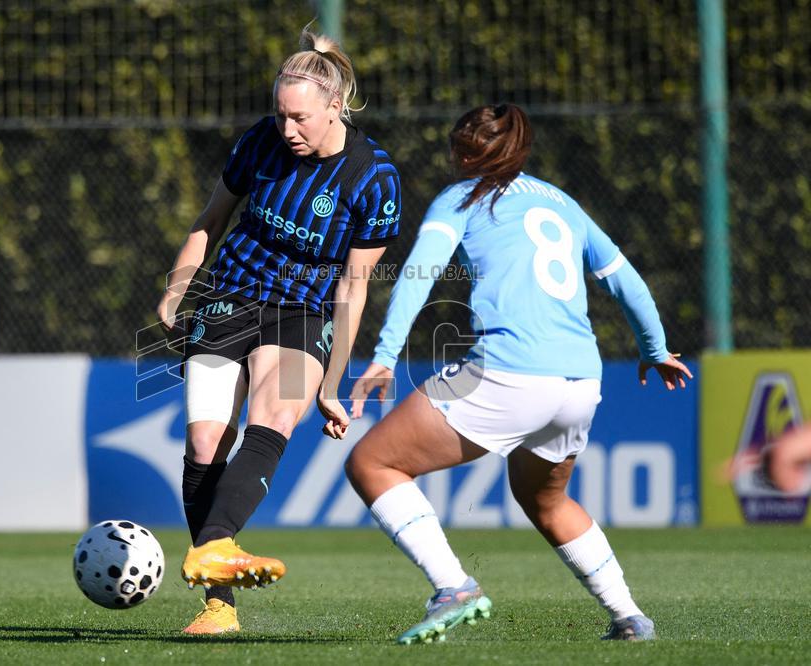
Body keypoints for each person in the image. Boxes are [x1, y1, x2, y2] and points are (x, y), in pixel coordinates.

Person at [341, 103, 692, 645]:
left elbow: (417, 274)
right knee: (547, 500)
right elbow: (627, 283)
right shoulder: (563, 203)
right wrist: (656, 349)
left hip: (506, 373)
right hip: (581, 383)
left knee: (372, 462)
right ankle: (629, 616)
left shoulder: (460, 198)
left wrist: (385, 355)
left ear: (462, 153)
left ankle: (453, 586)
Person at [155, 26, 401, 635]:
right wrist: (177, 286)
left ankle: (212, 550)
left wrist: (331, 384)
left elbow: (354, 287)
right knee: (205, 442)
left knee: (276, 416)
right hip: (229, 298)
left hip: (303, 311)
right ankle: (219, 603)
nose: (287, 129)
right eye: (280, 114)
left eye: (300, 118)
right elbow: (211, 220)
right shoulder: (259, 143)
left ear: (335, 106)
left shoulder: (373, 177)